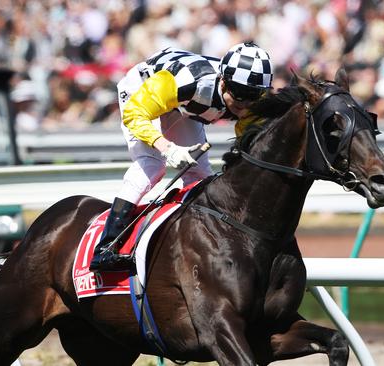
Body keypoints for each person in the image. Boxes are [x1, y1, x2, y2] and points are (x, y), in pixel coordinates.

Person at [89, 42, 274, 271]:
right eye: (239, 93)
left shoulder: (253, 99)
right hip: (145, 89)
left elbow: (249, 145)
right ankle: (106, 247)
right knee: (152, 165)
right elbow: (135, 114)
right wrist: (167, 147)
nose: (244, 103)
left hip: (182, 105)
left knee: (201, 176)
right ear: (223, 80)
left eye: (252, 96)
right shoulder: (190, 81)